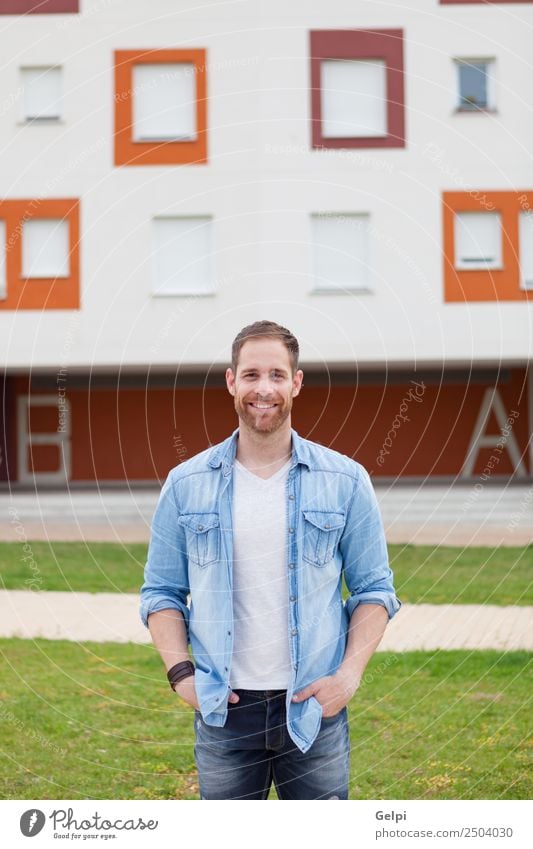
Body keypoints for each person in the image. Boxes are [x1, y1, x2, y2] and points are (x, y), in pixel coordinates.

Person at [140, 320, 401, 800]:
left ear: (296, 383)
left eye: (277, 375)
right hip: (224, 710)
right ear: (231, 382)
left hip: (313, 710)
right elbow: (162, 592)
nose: (264, 389)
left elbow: (374, 590)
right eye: (252, 374)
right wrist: (182, 677)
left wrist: (347, 678)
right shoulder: (185, 483)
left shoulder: (345, 479)